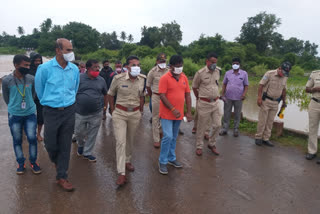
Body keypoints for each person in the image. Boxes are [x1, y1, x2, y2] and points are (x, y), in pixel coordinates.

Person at [35, 38, 79, 191]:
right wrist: (49, 103)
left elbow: (75, 88)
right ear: (58, 50)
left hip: (69, 110)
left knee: (65, 145)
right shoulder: (44, 69)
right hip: (51, 111)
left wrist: (69, 104)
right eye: (68, 50)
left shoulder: (74, 69)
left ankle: (62, 176)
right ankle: (56, 161)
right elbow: (39, 91)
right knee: (50, 144)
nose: (71, 53)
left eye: (71, 49)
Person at [107, 56, 146, 186]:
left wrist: (140, 110)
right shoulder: (118, 79)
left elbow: (142, 96)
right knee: (120, 141)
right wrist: (112, 110)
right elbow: (110, 94)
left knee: (130, 139)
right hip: (120, 113)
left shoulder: (142, 79)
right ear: (127, 67)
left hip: (134, 113)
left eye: (138, 64)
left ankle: (127, 160)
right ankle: (121, 173)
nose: (137, 67)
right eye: (134, 64)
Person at [2, 55, 41, 174]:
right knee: (17, 140)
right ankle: (20, 162)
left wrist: (28, 104)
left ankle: (33, 162)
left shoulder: (31, 79)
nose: (28, 67)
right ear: (16, 65)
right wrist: (14, 107)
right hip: (14, 115)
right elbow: (6, 98)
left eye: (29, 65)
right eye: (25, 65)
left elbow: (34, 94)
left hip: (30, 113)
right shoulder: (6, 80)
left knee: (32, 138)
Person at [158, 55, 192, 175]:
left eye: (181, 65)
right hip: (167, 113)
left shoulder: (184, 77)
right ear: (171, 66)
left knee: (174, 136)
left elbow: (188, 95)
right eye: (177, 66)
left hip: (178, 114)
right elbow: (162, 95)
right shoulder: (164, 78)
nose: (179, 68)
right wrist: (172, 109)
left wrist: (188, 111)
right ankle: (162, 161)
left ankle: (171, 158)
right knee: (167, 136)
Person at [74, 59, 107, 162]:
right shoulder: (79, 78)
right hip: (80, 112)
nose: (97, 69)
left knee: (93, 133)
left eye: (98, 67)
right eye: (95, 67)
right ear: (88, 69)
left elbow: (105, 94)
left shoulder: (101, 80)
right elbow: (72, 92)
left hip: (96, 112)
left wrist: (105, 108)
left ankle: (87, 152)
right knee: (79, 132)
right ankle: (81, 144)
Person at [254, 62, 291, 147]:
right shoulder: (269, 74)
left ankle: (266, 138)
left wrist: (284, 102)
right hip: (266, 100)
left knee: (270, 121)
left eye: (286, 73)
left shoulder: (285, 77)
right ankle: (258, 137)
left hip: (276, 102)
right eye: (283, 72)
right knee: (262, 120)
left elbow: (284, 90)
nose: (283, 74)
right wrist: (259, 98)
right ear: (279, 68)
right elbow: (261, 85)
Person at [192, 52, 222, 156]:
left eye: (216, 62)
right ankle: (199, 146)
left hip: (216, 103)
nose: (214, 64)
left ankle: (212, 143)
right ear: (207, 61)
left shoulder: (218, 71)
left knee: (218, 125)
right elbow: (195, 87)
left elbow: (216, 84)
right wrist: (199, 98)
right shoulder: (200, 73)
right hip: (204, 104)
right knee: (201, 127)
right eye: (212, 62)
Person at [220, 57, 249, 137]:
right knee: (226, 113)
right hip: (228, 97)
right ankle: (225, 129)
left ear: (240, 64)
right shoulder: (227, 73)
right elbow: (224, 84)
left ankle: (236, 129)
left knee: (237, 114)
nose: (235, 65)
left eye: (237, 63)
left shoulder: (244, 73)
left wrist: (244, 94)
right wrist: (222, 94)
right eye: (234, 63)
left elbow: (246, 85)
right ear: (231, 64)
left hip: (239, 98)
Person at [146, 53, 169, 148]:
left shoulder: (169, 71)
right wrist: (152, 96)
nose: (163, 63)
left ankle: (161, 132)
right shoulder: (152, 72)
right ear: (157, 61)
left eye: (164, 61)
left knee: (165, 117)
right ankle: (156, 139)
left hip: (167, 97)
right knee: (155, 117)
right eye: (161, 61)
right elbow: (148, 86)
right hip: (156, 96)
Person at [29, 53, 45, 142]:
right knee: (29, 116)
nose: (38, 62)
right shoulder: (27, 70)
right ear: (31, 61)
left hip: (40, 97)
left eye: (39, 60)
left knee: (40, 117)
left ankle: (38, 134)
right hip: (29, 97)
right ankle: (29, 131)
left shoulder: (43, 70)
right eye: (35, 61)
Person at [305, 70, 320, 162]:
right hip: (314, 103)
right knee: (312, 128)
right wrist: (315, 89)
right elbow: (307, 89)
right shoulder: (315, 74)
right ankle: (312, 151)